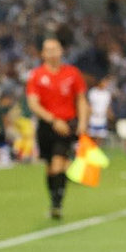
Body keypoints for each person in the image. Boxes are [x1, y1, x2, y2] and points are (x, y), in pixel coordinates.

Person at [25, 33, 88, 220]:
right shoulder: (36, 76)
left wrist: (83, 122)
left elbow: (81, 100)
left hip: (67, 125)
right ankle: (54, 198)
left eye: (55, 49)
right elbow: (33, 103)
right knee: (49, 167)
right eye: (48, 50)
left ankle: (57, 204)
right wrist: (52, 120)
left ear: (61, 51)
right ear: (42, 54)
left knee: (58, 162)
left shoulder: (72, 73)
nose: (52, 53)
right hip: (47, 125)